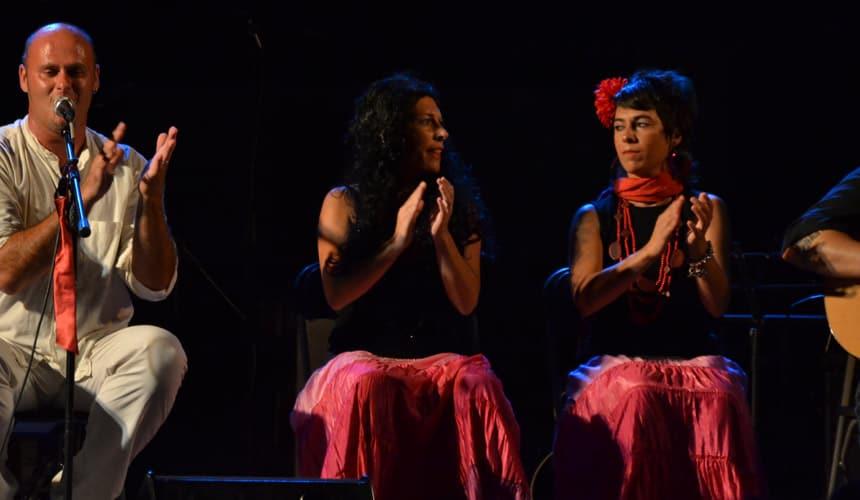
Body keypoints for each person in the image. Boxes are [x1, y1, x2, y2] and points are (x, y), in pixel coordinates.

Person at [291, 74, 529, 500]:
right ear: (391, 131)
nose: (442, 133)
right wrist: (396, 243)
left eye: (441, 122)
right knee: (370, 384)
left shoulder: (460, 206)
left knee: (479, 385)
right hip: (369, 357)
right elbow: (335, 295)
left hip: (443, 361)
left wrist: (441, 237)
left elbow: (466, 300)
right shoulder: (344, 202)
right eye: (426, 123)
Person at [553, 70, 763, 499]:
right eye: (619, 127)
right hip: (615, 369)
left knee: (721, 399)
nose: (627, 137)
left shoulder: (706, 209)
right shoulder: (594, 216)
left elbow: (717, 304)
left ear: (674, 138)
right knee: (638, 394)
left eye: (641, 124)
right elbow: (584, 301)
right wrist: (648, 253)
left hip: (693, 365)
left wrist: (701, 249)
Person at [0, 23, 186, 499]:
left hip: (94, 351)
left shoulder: (124, 163)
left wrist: (152, 204)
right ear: (24, 79)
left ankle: (83, 491)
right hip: (11, 347)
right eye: (50, 72)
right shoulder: (3, 153)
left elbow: (156, 285)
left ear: (95, 80)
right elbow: (6, 269)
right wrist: (77, 198)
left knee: (162, 352)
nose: (64, 84)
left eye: (76, 72)